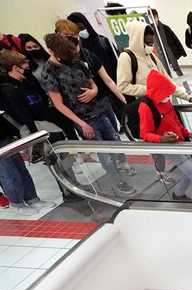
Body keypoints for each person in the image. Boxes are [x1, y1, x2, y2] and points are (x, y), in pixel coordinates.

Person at [41, 33, 135, 195]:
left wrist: (94, 91)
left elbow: (93, 82)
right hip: (83, 118)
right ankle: (118, 181)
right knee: (103, 154)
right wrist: (82, 124)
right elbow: (58, 104)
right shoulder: (49, 72)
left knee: (115, 142)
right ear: (51, 51)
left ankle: (120, 170)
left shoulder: (76, 62)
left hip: (98, 110)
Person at [139, 69, 192, 202]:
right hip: (168, 146)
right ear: (157, 91)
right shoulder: (145, 107)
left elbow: (175, 121)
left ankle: (178, 194)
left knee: (189, 171)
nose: (168, 96)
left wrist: (188, 134)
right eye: (165, 93)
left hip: (180, 142)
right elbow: (145, 134)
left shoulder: (165, 100)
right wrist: (161, 139)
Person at [55, 19, 126, 129]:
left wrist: (125, 103)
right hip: (83, 115)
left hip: (102, 103)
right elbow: (58, 100)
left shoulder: (87, 55)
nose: (70, 39)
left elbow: (108, 80)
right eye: (66, 35)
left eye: (73, 35)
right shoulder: (54, 65)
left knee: (114, 136)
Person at [0, 50, 78, 140]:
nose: (28, 66)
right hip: (41, 128)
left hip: (50, 119)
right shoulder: (9, 90)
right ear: (16, 68)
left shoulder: (28, 79)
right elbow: (23, 115)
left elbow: (43, 97)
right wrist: (37, 135)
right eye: (24, 63)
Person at [117, 21, 192, 105]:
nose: (151, 47)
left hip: (163, 105)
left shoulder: (151, 55)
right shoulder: (126, 57)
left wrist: (189, 98)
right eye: (148, 43)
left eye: (152, 44)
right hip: (145, 108)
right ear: (138, 40)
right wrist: (150, 90)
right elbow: (123, 86)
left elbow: (168, 82)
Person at [0, 103, 54, 215]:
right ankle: (17, 203)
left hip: (5, 135)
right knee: (9, 173)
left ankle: (32, 198)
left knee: (21, 169)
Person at [151, 8, 191, 95]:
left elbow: (174, 39)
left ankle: (187, 88)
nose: (153, 19)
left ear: (157, 17)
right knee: (165, 74)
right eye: (151, 17)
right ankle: (171, 91)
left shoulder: (165, 28)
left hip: (169, 53)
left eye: (154, 17)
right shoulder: (150, 29)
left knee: (177, 70)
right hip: (160, 55)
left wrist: (180, 51)